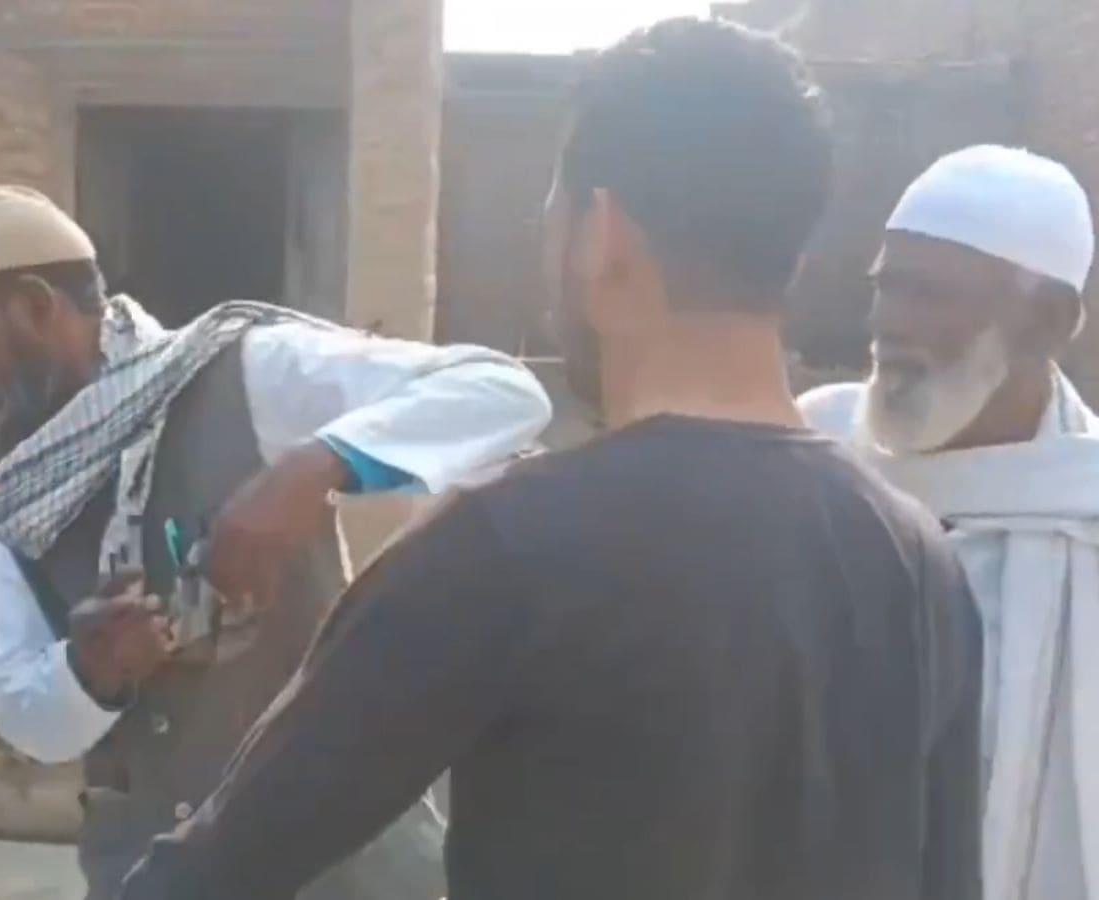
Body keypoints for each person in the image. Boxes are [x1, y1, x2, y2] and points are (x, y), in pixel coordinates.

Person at [119, 19, 983, 900]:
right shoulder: (922, 561)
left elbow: (212, 873)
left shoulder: (504, 547)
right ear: (791, 257)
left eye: (550, 214)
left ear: (601, 234)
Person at [0, 184, 552, 899]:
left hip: (338, 867)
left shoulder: (242, 372)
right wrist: (90, 671)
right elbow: (23, 716)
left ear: (34, 306)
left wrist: (310, 470)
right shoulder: (16, 494)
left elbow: (500, 392)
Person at [801, 145, 1098, 900]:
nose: (890, 323)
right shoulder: (808, 456)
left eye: (930, 295)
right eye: (886, 288)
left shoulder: (1084, 509)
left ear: (1048, 321)